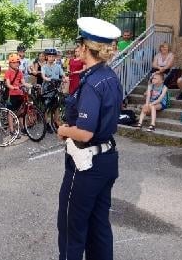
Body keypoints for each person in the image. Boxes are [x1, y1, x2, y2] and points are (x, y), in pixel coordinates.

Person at [57, 17, 122, 260]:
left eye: (79, 44)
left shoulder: (93, 82)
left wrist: (64, 130)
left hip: (87, 166)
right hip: (106, 160)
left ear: (87, 47)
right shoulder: (109, 76)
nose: (77, 49)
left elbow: (85, 132)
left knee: (71, 229)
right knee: (99, 228)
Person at [5, 53, 30, 137]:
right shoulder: (8, 72)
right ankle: (12, 130)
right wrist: (13, 87)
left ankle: (23, 127)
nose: (16, 64)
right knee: (11, 112)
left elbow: (23, 82)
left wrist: (29, 85)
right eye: (14, 62)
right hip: (11, 94)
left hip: (20, 94)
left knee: (21, 111)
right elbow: (8, 84)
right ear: (10, 64)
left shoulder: (20, 72)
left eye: (17, 62)